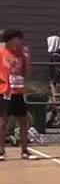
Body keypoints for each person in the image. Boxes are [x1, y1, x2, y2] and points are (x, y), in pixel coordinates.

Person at [0, 29, 32, 160]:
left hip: (18, 91)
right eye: (17, 38)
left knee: (23, 122)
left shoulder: (21, 54)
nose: (20, 41)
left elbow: (27, 73)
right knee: (3, 122)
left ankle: (24, 151)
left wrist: (27, 57)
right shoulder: (1, 52)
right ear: (10, 39)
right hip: (5, 92)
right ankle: (1, 151)